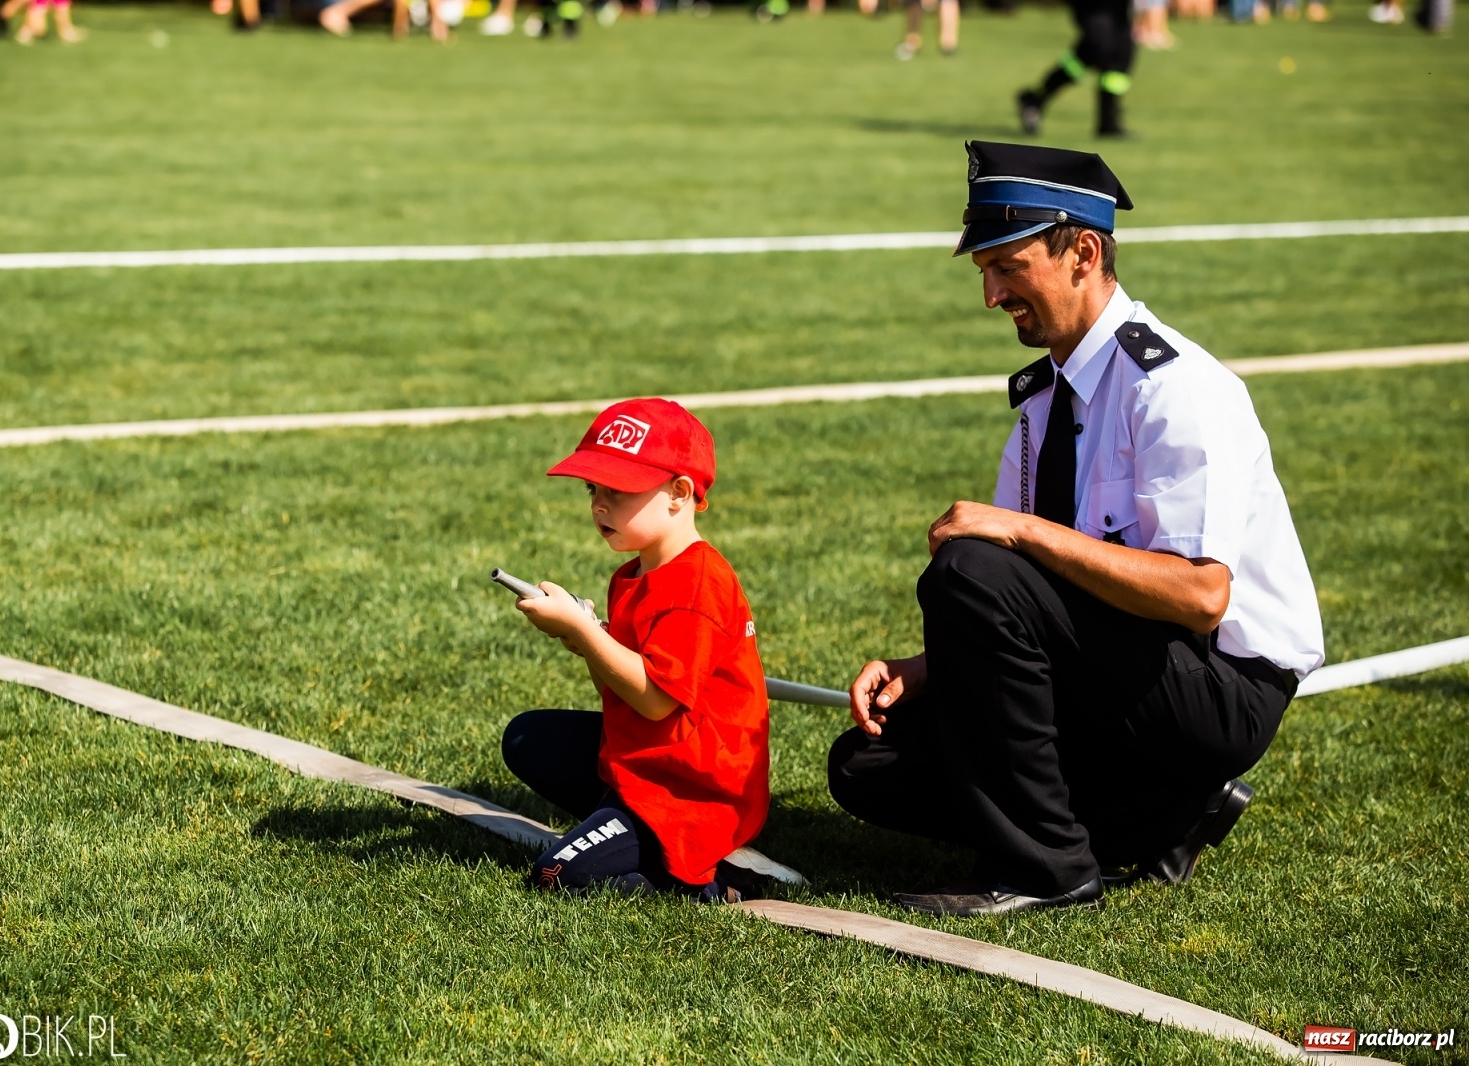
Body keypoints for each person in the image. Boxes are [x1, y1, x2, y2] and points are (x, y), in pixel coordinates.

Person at [827, 141, 1324, 917]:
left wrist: (1022, 532)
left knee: (971, 566)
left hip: (1216, 684)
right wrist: (920, 670)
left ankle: (1049, 870)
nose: (990, 294)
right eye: (983, 272)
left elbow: (1200, 598)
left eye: (1007, 266)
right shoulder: (1042, 398)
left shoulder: (1174, 388)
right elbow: (1035, 610)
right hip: (1126, 672)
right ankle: (1163, 812)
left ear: (1083, 252)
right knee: (867, 763)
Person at [501, 398, 770, 902]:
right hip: (650, 759)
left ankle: (710, 880)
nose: (599, 504)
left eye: (617, 490)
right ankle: (632, 832)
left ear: (679, 493)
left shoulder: (697, 585)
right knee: (525, 739)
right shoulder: (632, 574)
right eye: (592, 488)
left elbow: (655, 701)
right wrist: (585, 641)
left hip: (693, 789)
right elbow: (622, 694)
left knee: (554, 876)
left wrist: (587, 634)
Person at [1015, 0, 1134, 138]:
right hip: (1092, 5)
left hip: (1119, 7)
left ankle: (1108, 123)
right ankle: (1035, 98)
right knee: (1101, 48)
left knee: (1118, 55)